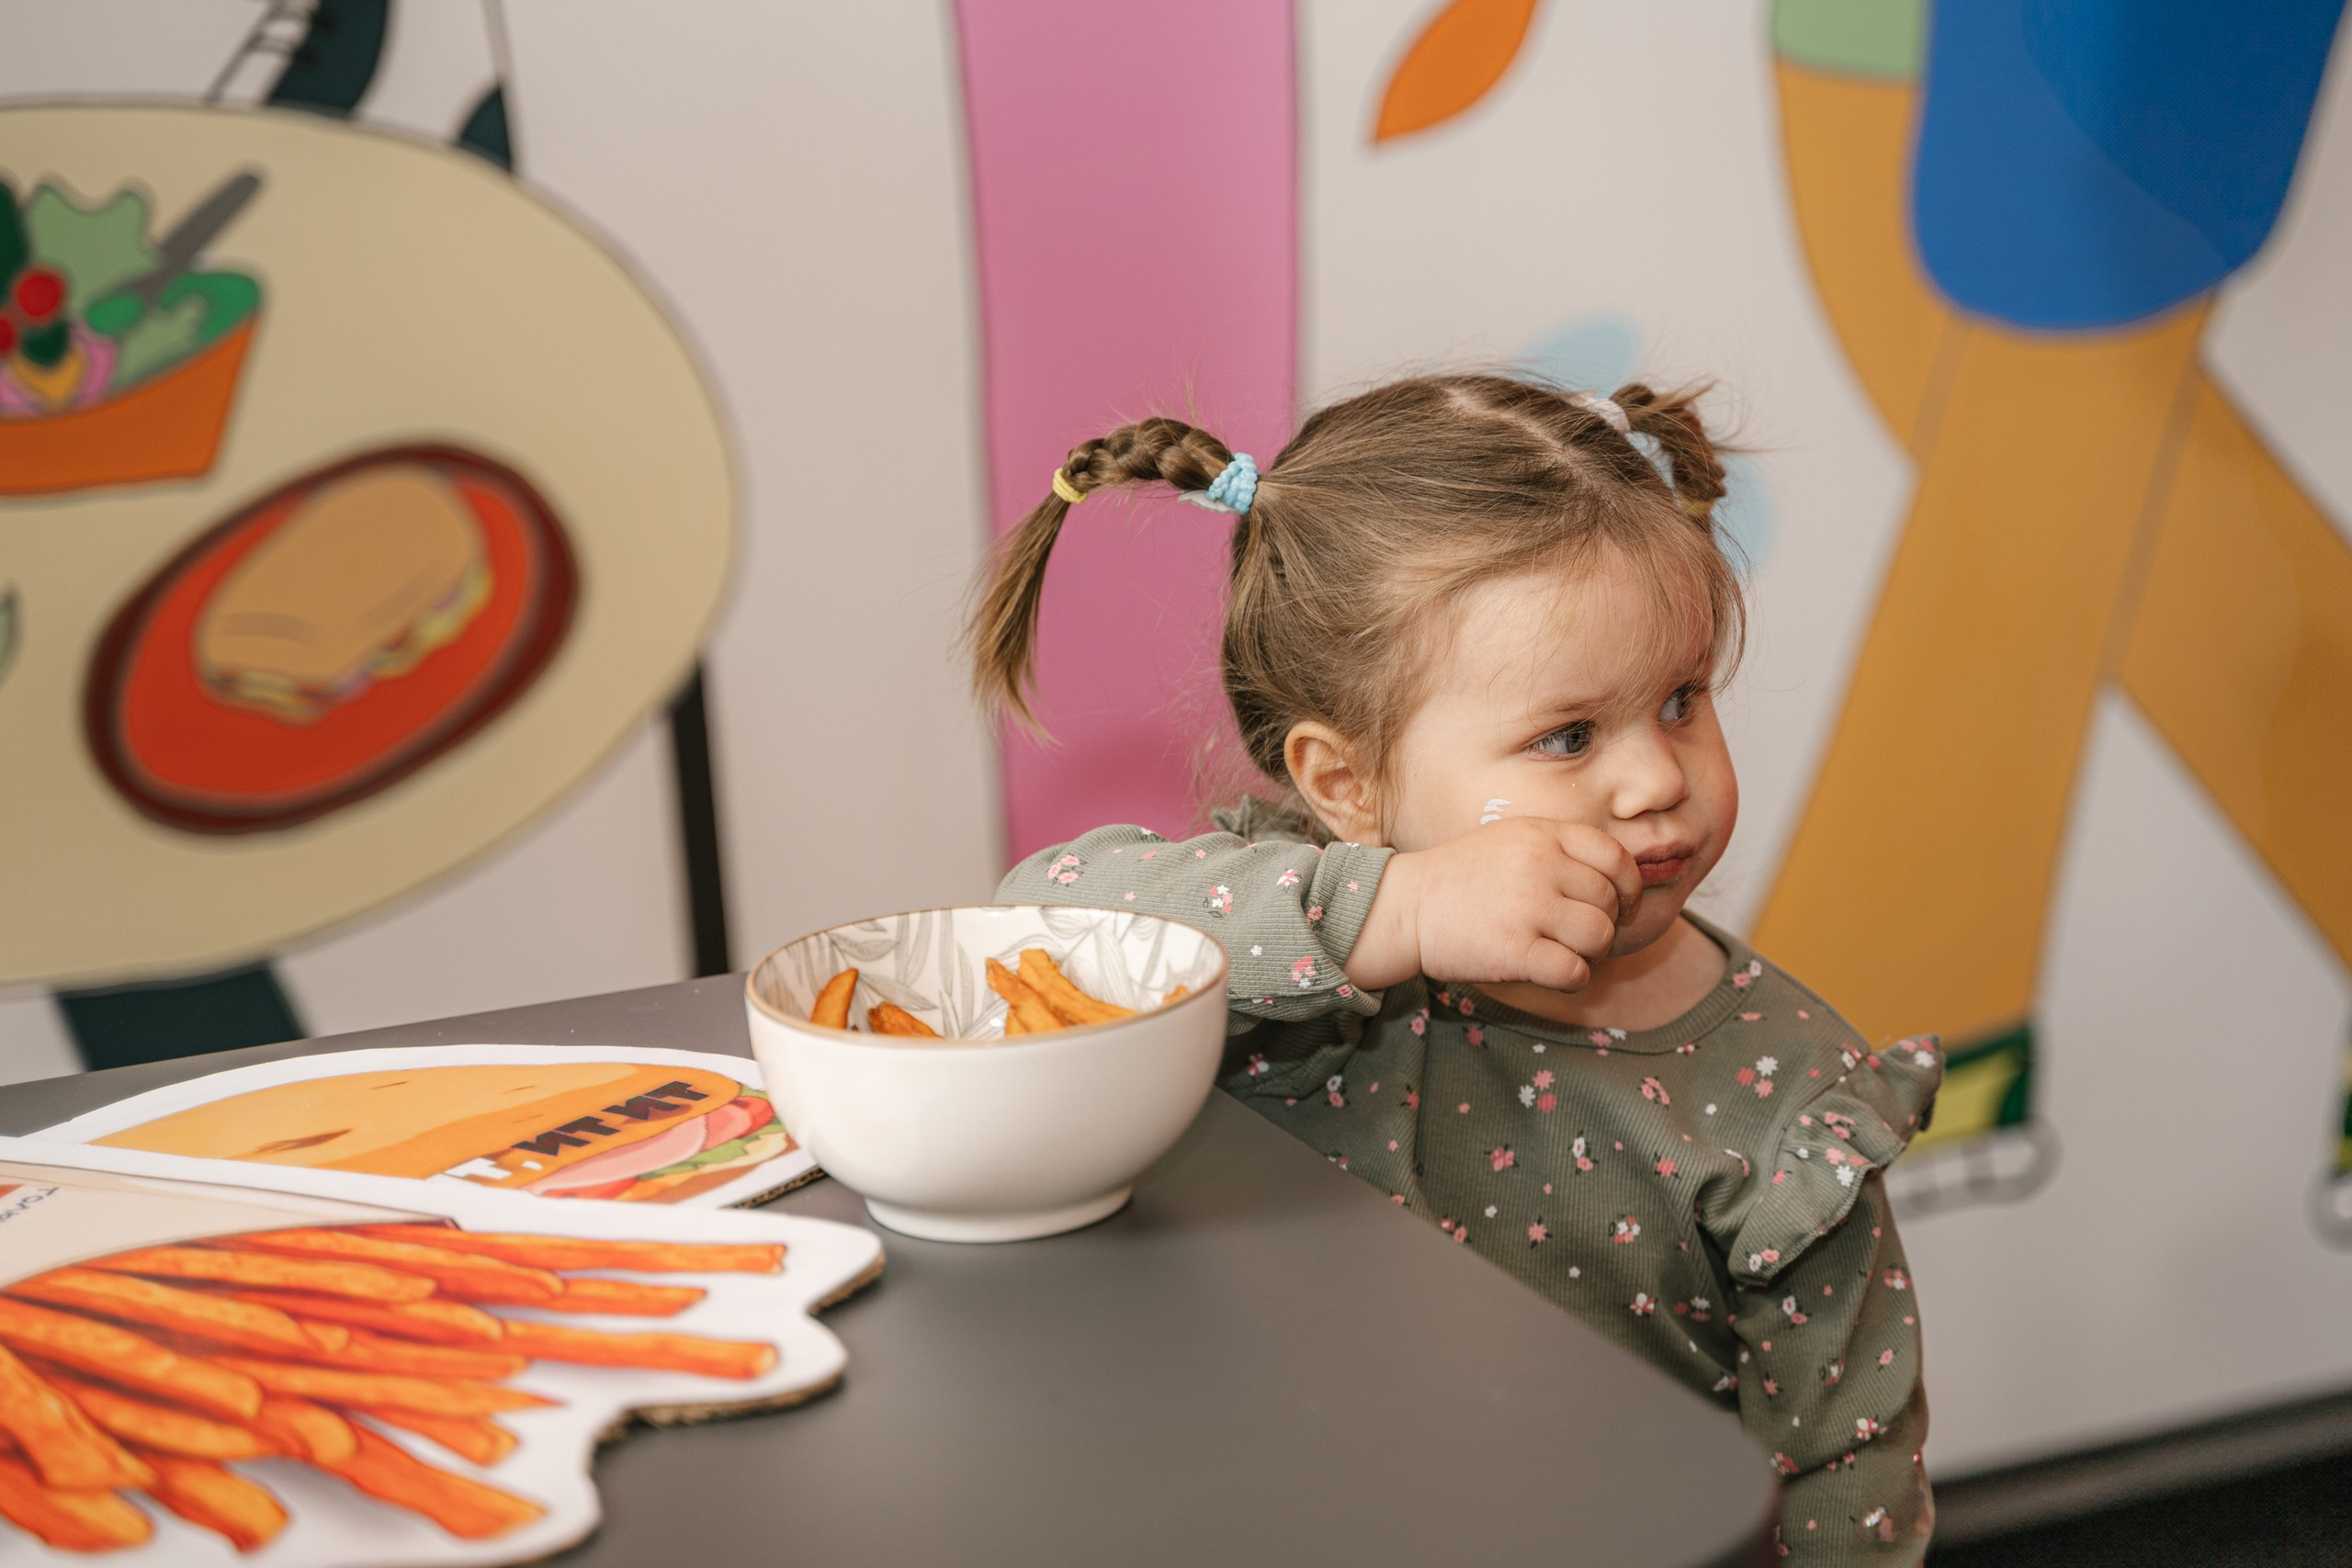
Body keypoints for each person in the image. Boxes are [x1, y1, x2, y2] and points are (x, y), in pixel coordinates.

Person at [971, 373, 1940, 1562]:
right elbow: (1036, 928)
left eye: (1682, 701)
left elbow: (1851, 1473)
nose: (1656, 780)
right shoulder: (1284, 926)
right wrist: (1402, 909)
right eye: (1570, 736)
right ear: (1347, 788)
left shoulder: (1787, 1097)